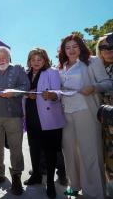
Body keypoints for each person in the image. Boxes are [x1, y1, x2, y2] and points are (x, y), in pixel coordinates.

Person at [58, 34, 110, 198]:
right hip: (66, 113)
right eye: (68, 47)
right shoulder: (61, 67)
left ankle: (94, 192)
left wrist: (93, 88)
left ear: (81, 46)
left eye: (75, 46)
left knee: (90, 151)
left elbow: (108, 83)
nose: (71, 50)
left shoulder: (92, 61)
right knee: (70, 152)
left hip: (86, 111)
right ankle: (74, 185)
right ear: (63, 50)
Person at [23, 48, 66, 198]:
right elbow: (23, 92)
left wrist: (53, 95)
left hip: (48, 118)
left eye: (39, 59)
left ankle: (50, 183)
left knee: (50, 152)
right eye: (33, 59)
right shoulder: (26, 74)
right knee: (34, 148)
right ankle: (36, 175)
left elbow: (59, 93)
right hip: (31, 116)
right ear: (29, 61)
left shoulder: (52, 72)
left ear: (45, 60)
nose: (36, 62)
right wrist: (27, 95)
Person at [0, 46, 29, 196]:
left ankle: (16, 175)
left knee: (16, 147)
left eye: (4, 56)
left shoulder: (17, 69)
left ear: (9, 57)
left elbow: (26, 86)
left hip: (14, 116)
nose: (1, 60)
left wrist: (13, 93)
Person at [96, 34, 113, 197]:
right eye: (103, 47)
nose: (108, 50)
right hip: (104, 125)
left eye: (111, 46)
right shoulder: (98, 68)